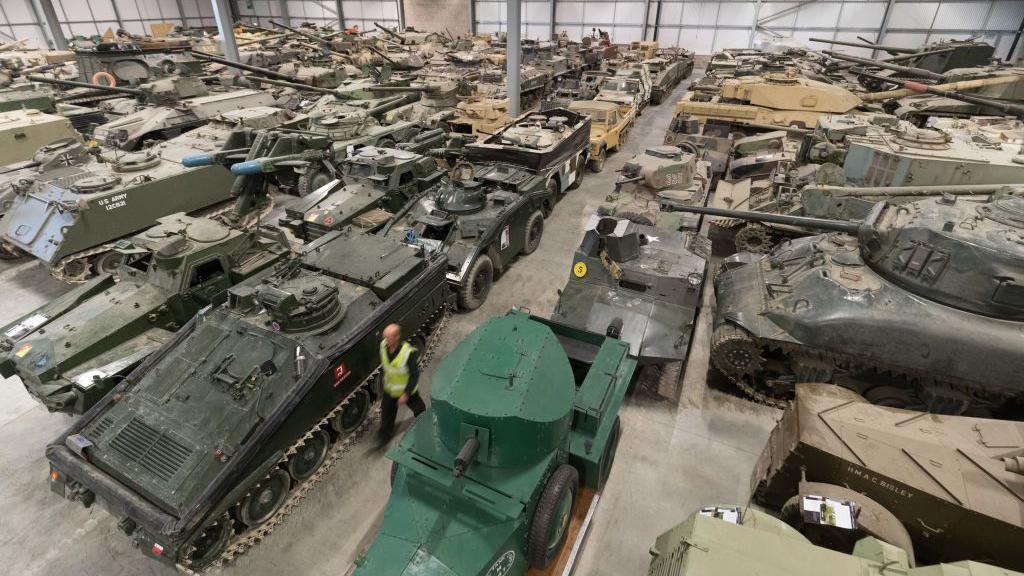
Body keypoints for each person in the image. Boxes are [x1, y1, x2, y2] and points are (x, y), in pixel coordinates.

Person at [377, 323, 426, 445]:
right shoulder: (383, 346)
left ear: (396, 337)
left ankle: (424, 422)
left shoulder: (407, 353)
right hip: (390, 389)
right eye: (385, 337)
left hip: (406, 390)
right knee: (387, 413)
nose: (385, 340)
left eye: (388, 337)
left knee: (419, 408)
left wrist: (406, 394)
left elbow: (414, 374)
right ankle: (385, 435)